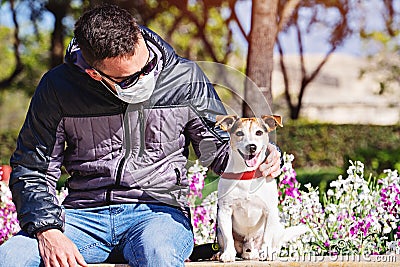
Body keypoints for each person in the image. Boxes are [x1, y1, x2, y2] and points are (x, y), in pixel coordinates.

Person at [0, 4, 282, 267]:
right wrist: (47, 229)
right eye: (130, 79)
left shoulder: (185, 78)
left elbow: (221, 151)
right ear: (94, 73)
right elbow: (32, 168)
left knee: (158, 253)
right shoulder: (57, 88)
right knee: (11, 257)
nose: (146, 75)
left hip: (158, 214)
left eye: (146, 65)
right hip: (82, 216)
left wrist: (256, 154)